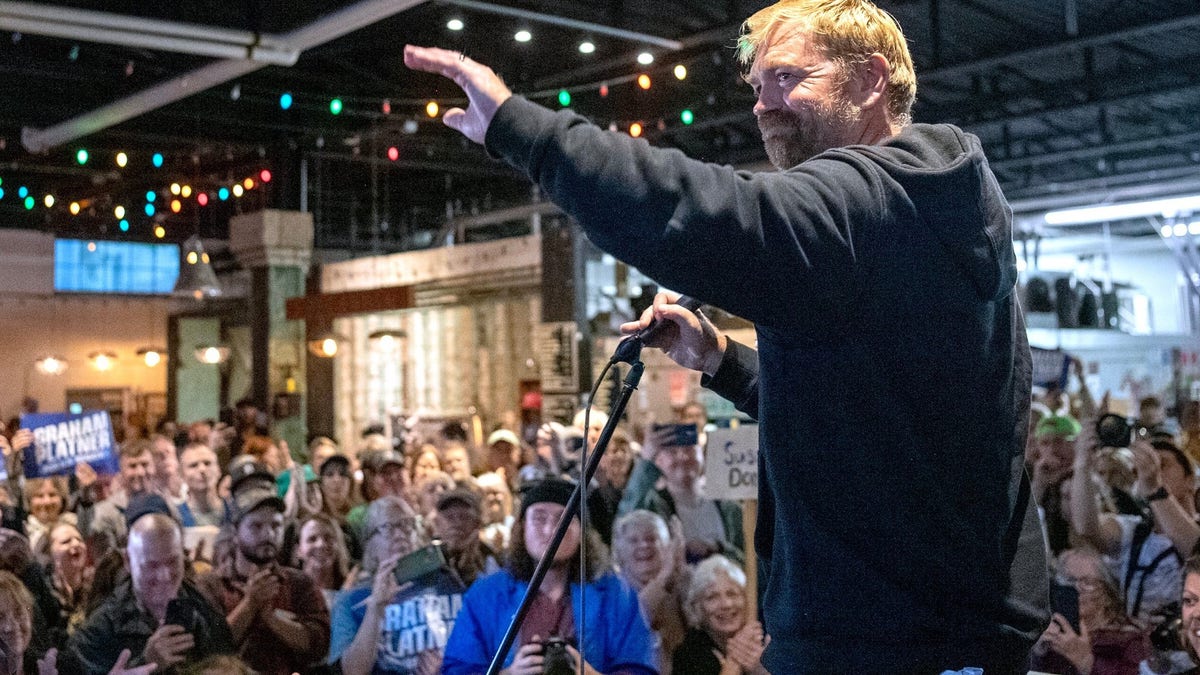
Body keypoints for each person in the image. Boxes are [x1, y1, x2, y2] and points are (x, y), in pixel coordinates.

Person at [404, 0, 1049, 668]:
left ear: (870, 80)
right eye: (757, 85)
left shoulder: (879, 198)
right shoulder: (917, 214)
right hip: (912, 630)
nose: (763, 104)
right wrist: (721, 360)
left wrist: (525, 130)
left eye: (787, 77)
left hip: (898, 642)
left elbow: (704, 215)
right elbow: (868, 416)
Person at [441, 478, 657, 675]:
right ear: (522, 528)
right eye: (539, 518)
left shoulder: (616, 594)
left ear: (582, 532)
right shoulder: (485, 595)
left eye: (564, 520)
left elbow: (641, 667)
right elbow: (457, 669)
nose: (550, 530)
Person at [68, 512, 235, 674]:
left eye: (172, 562)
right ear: (128, 561)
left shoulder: (203, 610)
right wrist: (146, 663)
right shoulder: (102, 628)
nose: (164, 576)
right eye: (151, 565)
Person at [196, 484, 330, 675]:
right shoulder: (210, 585)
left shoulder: (299, 583)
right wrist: (250, 604)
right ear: (235, 532)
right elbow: (207, 650)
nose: (268, 534)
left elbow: (319, 645)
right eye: (256, 526)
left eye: (276, 525)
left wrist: (271, 618)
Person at [330, 496, 459, 675]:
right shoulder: (350, 601)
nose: (400, 535)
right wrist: (375, 608)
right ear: (370, 544)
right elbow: (352, 672)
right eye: (388, 528)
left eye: (407, 525)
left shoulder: (445, 581)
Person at [1030, 547, 1150, 675]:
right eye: (1069, 580)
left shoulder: (1129, 637)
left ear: (1107, 595)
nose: (1076, 588)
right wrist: (1037, 652)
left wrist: (1087, 662)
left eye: (1087, 582)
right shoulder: (1051, 630)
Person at [612, 510, 688, 675]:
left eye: (651, 538)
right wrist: (664, 575)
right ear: (619, 550)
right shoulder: (612, 592)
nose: (644, 545)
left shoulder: (682, 586)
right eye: (633, 540)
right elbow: (638, 617)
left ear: (668, 547)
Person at [674, 555, 767, 675]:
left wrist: (762, 671)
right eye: (712, 597)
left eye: (732, 594)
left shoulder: (763, 642)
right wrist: (735, 658)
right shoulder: (688, 655)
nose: (726, 604)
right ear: (697, 608)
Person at [431, 489, 499, 588]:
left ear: (477, 524)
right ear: (437, 524)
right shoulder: (427, 561)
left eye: (464, 517)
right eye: (449, 517)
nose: (457, 524)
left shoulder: (492, 561)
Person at [295, 513, 351, 608]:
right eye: (312, 539)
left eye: (328, 538)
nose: (321, 544)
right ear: (298, 550)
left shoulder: (353, 589)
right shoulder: (289, 593)